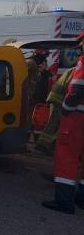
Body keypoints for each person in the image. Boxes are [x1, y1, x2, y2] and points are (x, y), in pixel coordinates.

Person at [42, 31, 84, 214]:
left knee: (67, 156)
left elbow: (77, 88)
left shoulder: (82, 63)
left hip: (77, 117)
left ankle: (64, 201)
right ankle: (80, 199)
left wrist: (66, 108)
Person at [35, 67, 75, 154]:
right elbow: (71, 86)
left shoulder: (73, 70)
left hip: (57, 98)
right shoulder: (76, 71)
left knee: (55, 123)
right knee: (53, 123)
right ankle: (42, 145)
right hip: (59, 99)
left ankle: (47, 144)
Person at [26, 49, 50, 114]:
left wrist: (44, 71)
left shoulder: (42, 63)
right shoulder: (31, 63)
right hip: (32, 96)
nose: (45, 58)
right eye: (44, 55)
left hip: (40, 96)